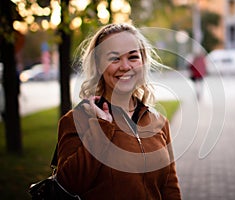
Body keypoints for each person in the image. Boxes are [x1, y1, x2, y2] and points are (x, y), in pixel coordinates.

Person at [56, 23, 182, 200]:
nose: (125, 66)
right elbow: (68, 183)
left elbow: (170, 188)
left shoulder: (158, 122)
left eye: (133, 57)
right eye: (114, 58)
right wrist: (102, 128)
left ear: (143, 62)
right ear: (99, 66)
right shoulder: (77, 120)